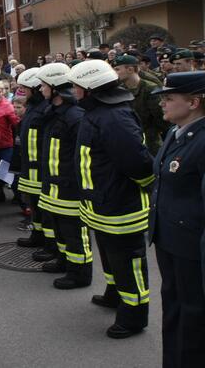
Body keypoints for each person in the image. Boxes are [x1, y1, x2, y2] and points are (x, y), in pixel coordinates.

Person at [67, 59, 154, 339]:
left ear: (90, 88)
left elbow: (138, 163)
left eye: (76, 85)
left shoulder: (113, 117)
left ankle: (134, 316)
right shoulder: (98, 112)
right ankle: (115, 294)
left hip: (120, 207)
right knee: (111, 258)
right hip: (104, 204)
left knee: (128, 264)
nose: (72, 90)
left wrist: (142, 189)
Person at [148, 71, 205, 366]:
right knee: (173, 308)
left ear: (194, 102)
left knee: (193, 316)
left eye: (169, 99)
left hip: (191, 247)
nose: (163, 105)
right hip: (168, 238)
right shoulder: (175, 132)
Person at [36, 63, 92, 289]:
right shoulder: (54, 112)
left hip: (69, 186)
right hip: (54, 183)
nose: (40, 89)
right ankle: (64, 260)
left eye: (43, 85)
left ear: (56, 88)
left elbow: (82, 156)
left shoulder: (74, 116)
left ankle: (80, 273)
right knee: (59, 228)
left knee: (74, 232)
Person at [14, 69, 56, 254]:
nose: (22, 92)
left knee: (46, 210)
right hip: (29, 167)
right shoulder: (34, 106)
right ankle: (37, 236)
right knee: (35, 206)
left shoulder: (45, 108)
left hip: (40, 167)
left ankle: (49, 244)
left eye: (25, 88)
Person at [113, 54, 168, 155]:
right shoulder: (119, 90)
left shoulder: (149, 88)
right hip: (127, 141)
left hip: (150, 142)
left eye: (117, 69)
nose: (115, 73)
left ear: (130, 69)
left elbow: (161, 118)